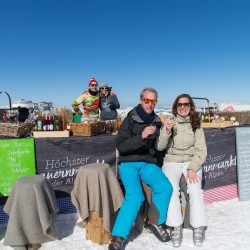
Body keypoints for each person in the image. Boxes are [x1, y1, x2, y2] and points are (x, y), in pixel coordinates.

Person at [108, 87, 173, 250]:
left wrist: (166, 133)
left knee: (165, 186)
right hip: (129, 163)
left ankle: (154, 221)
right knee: (135, 196)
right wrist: (142, 136)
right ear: (141, 100)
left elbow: (158, 148)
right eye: (147, 100)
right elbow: (120, 145)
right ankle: (118, 236)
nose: (150, 104)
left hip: (148, 164)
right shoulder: (131, 118)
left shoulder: (157, 121)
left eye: (153, 101)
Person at [155, 93, 207, 247]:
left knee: (195, 188)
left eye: (186, 104)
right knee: (170, 188)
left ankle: (198, 226)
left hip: (191, 162)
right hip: (172, 161)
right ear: (175, 107)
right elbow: (160, 147)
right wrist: (166, 132)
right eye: (180, 104)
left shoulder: (196, 123)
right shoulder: (170, 123)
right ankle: (175, 225)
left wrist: (192, 168)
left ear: (190, 107)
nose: (183, 107)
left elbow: (201, 150)